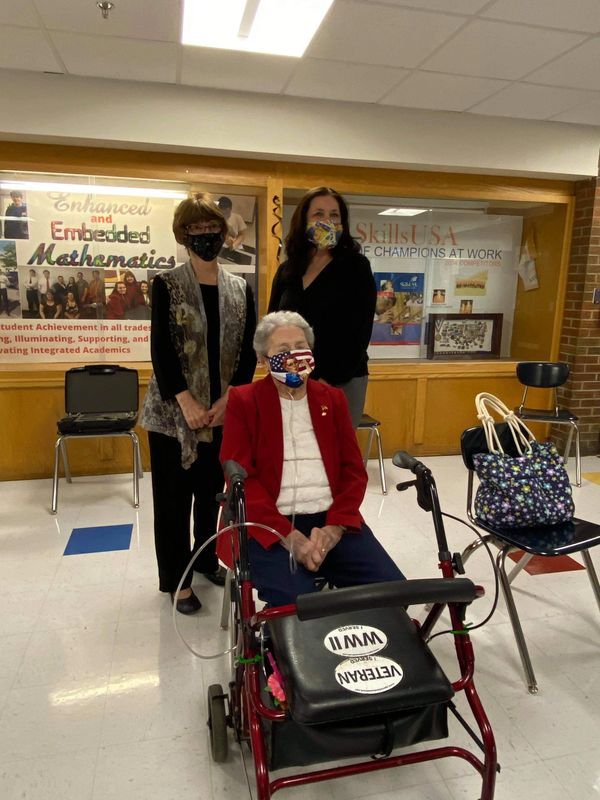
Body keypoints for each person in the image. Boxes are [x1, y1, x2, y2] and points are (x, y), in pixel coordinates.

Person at [218, 311, 403, 608]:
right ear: (263, 360)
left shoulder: (332, 398)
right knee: (300, 606)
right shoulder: (244, 401)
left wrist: (335, 527)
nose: (295, 356)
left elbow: (353, 471)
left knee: (393, 592)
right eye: (283, 350)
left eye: (301, 346)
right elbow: (241, 478)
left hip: (330, 518)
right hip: (267, 525)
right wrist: (289, 537)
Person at [140, 193, 257, 615]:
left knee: (211, 497)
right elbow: (161, 350)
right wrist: (186, 400)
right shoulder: (167, 284)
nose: (206, 235)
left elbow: (248, 352)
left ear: (224, 233)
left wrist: (230, 398)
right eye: (196, 229)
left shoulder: (240, 288)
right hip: (173, 415)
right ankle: (178, 580)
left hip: (222, 412)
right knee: (173, 502)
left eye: (212, 228)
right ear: (183, 234)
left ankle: (206, 561)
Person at [268, 187, 376, 427]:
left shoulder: (356, 267)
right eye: (318, 214)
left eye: (334, 215)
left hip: (340, 381)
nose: (327, 221)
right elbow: (272, 325)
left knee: (332, 448)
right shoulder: (288, 270)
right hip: (291, 378)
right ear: (303, 220)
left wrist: (326, 380)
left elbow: (360, 331)